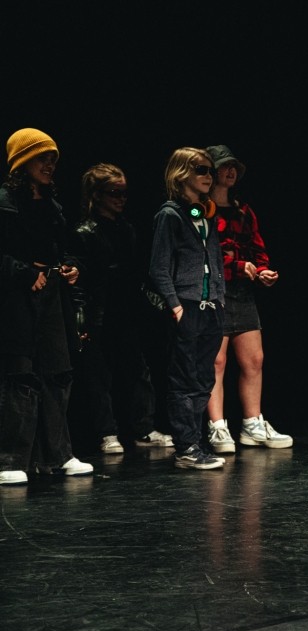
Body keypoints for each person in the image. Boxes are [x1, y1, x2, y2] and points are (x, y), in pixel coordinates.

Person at [0, 128, 93, 485]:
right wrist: (24, 273)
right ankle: (11, 459)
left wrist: (71, 266)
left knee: (58, 372)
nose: (49, 165)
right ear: (22, 162)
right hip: (16, 297)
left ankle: (56, 455)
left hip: (52, 295)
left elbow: (65, 249)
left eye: (52, 159)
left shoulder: (53, 206)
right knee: (20, 375)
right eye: (42, 158)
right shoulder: (5, 204)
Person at [69, 163, 173, 455]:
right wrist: (80, 321)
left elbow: (135, 273)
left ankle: (143, 429)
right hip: (98, 314)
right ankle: (107, 433)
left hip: (126, 313)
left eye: (124, 193)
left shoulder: (127, 229)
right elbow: (80, 281)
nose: (121, 199)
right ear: (97, 194)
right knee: (98, 376)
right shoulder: (83, 232)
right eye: (114, 192)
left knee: (138, 371)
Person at [203, 145, 292, 454]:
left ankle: (252, 423)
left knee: (254, 360)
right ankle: (217, 426)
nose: (230, 172)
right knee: (216, 361)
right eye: (224, 166)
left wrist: (264, 271)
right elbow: (204, 254)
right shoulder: (201, 211)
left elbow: (258, 249)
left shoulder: (243, 211)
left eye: (234, 167)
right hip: (214, 291)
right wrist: (238, 266)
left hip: (242, 293)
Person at [148, 147, 226, 470]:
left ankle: (195, 440)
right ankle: (186, 446)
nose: (209, 176)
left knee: (204, 378)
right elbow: (158, 268)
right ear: (182, 174)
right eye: (201, 170)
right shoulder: (170, 215)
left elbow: (214, 259)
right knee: (184, 378)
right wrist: (176, 306)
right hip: (187, 306)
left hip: (211, 307)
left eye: (210, 171)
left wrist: (220, 298)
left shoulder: (205, 214)